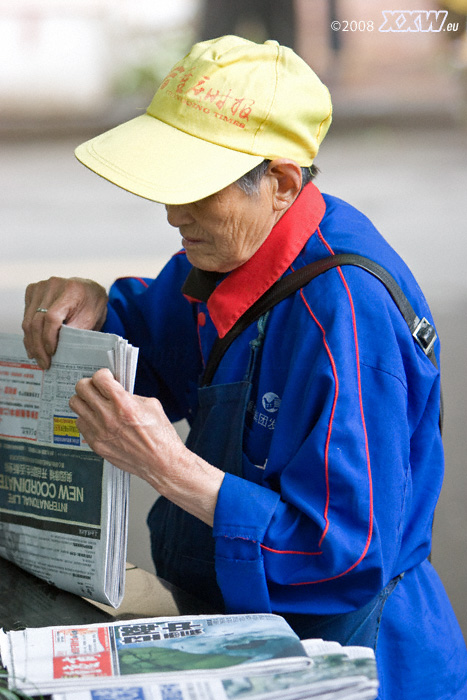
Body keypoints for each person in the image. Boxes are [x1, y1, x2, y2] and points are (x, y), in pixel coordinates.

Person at [21, 36, 467, 699]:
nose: (174, 216)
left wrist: (168, 467)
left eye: (196, 192)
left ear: (282, 183)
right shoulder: (227, 257)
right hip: (248, 634)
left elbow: (343, 554)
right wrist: (88, 311)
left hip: (362, 662)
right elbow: (151, 347)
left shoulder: (348, 317)